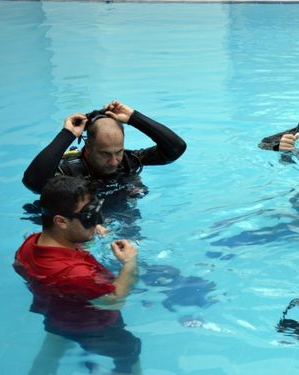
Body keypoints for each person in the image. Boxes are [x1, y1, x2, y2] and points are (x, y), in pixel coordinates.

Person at [13, 176, 141, 374]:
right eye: (88, 217)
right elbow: (115, 301)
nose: (96, 221)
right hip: (94, 326)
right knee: (129, 350)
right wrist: (129, 263)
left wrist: (86, 229)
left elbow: (19, 265)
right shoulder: (75, 274)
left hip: (57, 313)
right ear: (61, 221)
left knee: (53, 347)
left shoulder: (31, 243)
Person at [22, 100, 187, 198]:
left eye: (119, 152)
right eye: (105, 154)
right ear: (88, 146)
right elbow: (33, 183)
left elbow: (175, 149)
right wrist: (67, 134)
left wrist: (135, 118)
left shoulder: (129, 161)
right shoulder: (69, 172)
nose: (114, 161)